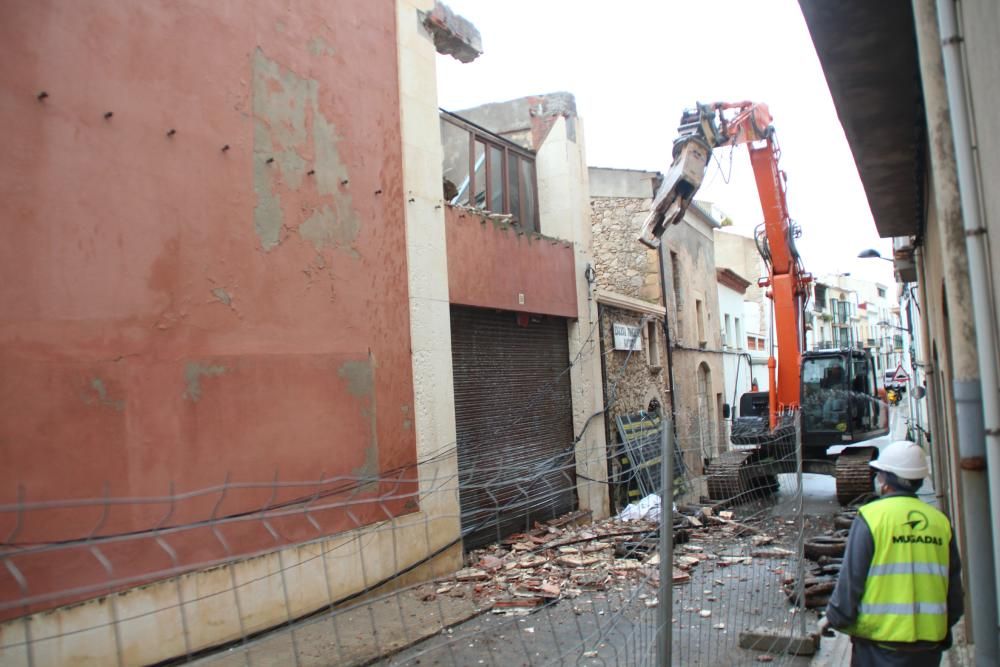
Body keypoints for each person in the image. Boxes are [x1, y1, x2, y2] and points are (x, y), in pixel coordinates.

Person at [820, 441, 964, 666]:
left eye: (880, 474)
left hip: (879, 643)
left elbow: (852, 579)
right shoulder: (940, 522)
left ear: (886, 479)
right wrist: (942, 626)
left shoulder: (872, 517)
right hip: (929, 646)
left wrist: (835, 617)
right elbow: (953, 589)